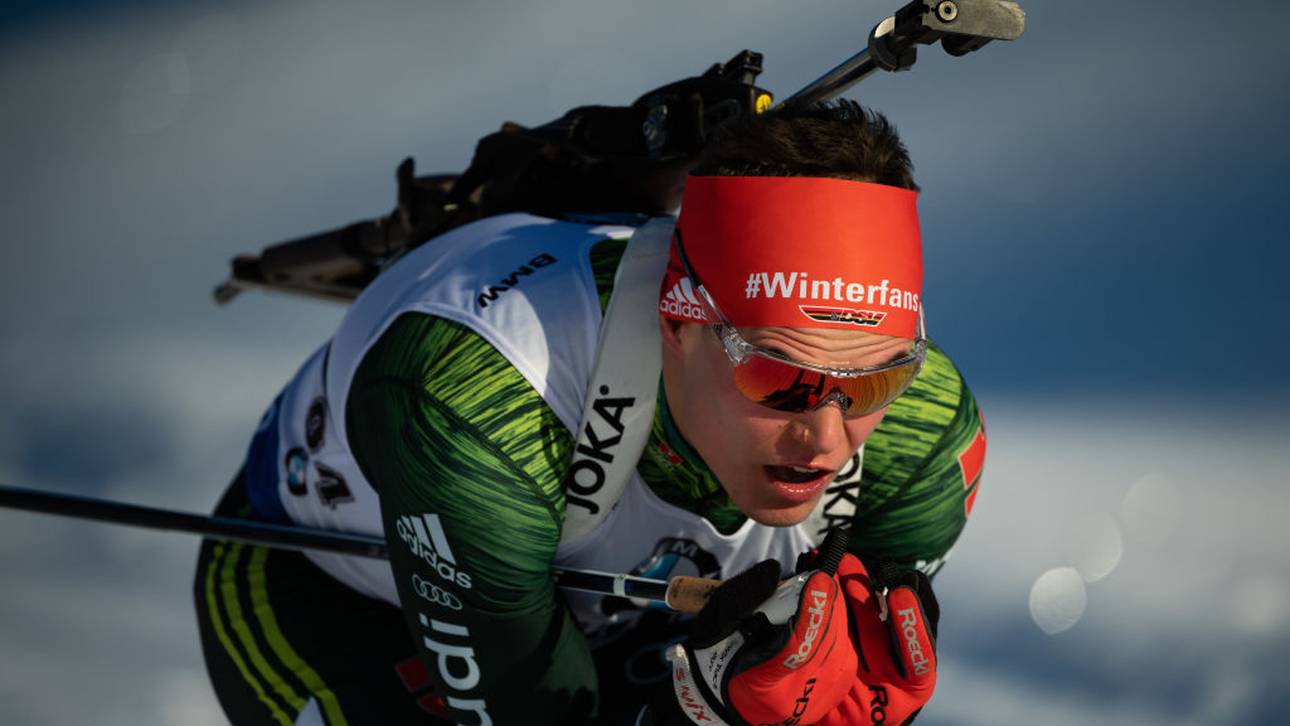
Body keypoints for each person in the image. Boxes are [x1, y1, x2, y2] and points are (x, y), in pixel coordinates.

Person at [192, 100, 987, 725]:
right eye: (779, 377)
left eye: (876, 383)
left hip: (625, 619)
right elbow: (528, 711)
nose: (825, 437)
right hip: (344, 604)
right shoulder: (487, 395)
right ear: (678, 324)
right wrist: (701, 712)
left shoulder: (922, 436)